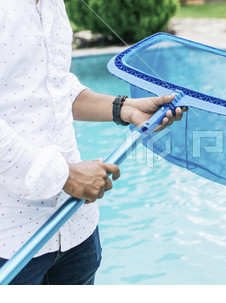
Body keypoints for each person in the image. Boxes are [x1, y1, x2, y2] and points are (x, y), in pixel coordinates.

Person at [0, 0, 186, 284]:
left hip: (76, 229)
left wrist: (124, 107)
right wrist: (62, 175)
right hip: (12, 244)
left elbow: (54, 86)